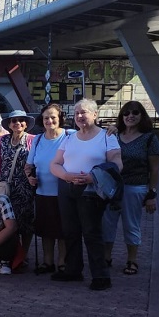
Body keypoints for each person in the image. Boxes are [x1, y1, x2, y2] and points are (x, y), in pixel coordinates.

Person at [49, 98, 123, 291]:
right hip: (67, 188)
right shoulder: (69, 137)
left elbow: (116, 164)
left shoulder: (107, 136)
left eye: (84, 112)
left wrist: (93, 177)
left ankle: (100, 275)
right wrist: (65, 175)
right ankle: (73, 270)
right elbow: (55, 163)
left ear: (95, 115)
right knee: (70, 231)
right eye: (77, 113)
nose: (80, 116)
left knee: (91, 232)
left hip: (91, 190)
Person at [102, 101, 159, 276]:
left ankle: (132, 260)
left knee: (131, 225)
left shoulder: (149, 138)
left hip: (135, 187)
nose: (130, 116)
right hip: (112, 188)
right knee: (107, 224)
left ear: (142, 115)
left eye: (135, 112)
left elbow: (155, 169)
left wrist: (152, 194)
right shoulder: (114, 134)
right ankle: (106, 258)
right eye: (126, 113)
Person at [0, 110, 37, 258]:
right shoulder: (2, 140)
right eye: (13, 120)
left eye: (21, 120)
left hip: (25, 188)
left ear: (26, 124)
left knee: (25, 223)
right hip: (5, 188)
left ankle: (22, 256)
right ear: (9, 124)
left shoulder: (33, 140)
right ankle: (9, 254)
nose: (17, 123)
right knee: (6, 223)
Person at [25, 104, 72, 275]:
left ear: (60, 118)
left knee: (62, 230)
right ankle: (48, 261)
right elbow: (28, 166)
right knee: (46, 230)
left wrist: (111, 129)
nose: (49, 120)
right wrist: (30, 177)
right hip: (42, 192)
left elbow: (90, 134)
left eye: (53, 117)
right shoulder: (37, 140)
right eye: (46, 118)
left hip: (63, 192)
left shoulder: (70, 136)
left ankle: (62, 262)